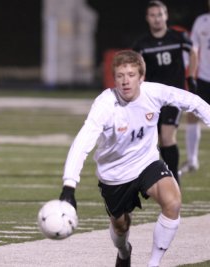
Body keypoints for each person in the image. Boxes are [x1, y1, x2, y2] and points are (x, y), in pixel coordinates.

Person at [59, 50, 210, 267]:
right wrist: (69, 186)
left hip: (146, 163)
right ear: (114, 78)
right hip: (115, 175)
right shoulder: (105, 104)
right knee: (120, 228)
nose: (125, 81)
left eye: (131, 75)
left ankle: (153, 263)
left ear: (141, 77)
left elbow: (192, 101)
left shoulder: (154, 93)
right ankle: (123, 253)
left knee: (173, 202)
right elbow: (82, 143)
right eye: (120, 76)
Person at [132, 0, 198, 184]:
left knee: (167, 136)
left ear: (166, 16)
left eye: (159, 14)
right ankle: (160, 178)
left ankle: (174, 180)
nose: (157, 19)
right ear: (147, 18)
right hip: (151, 98)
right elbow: (136, 67)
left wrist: (190, 77)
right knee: (158, 140)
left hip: (173, 96)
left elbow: (193, 52)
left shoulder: (178, 37)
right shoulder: (141, 44)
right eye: (152, 15)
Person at [179, 0, 210, 175]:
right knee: (192, 116)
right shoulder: (201, 21)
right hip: (204, 78)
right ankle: (192, 160)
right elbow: (193, 49)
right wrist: (189, 73)